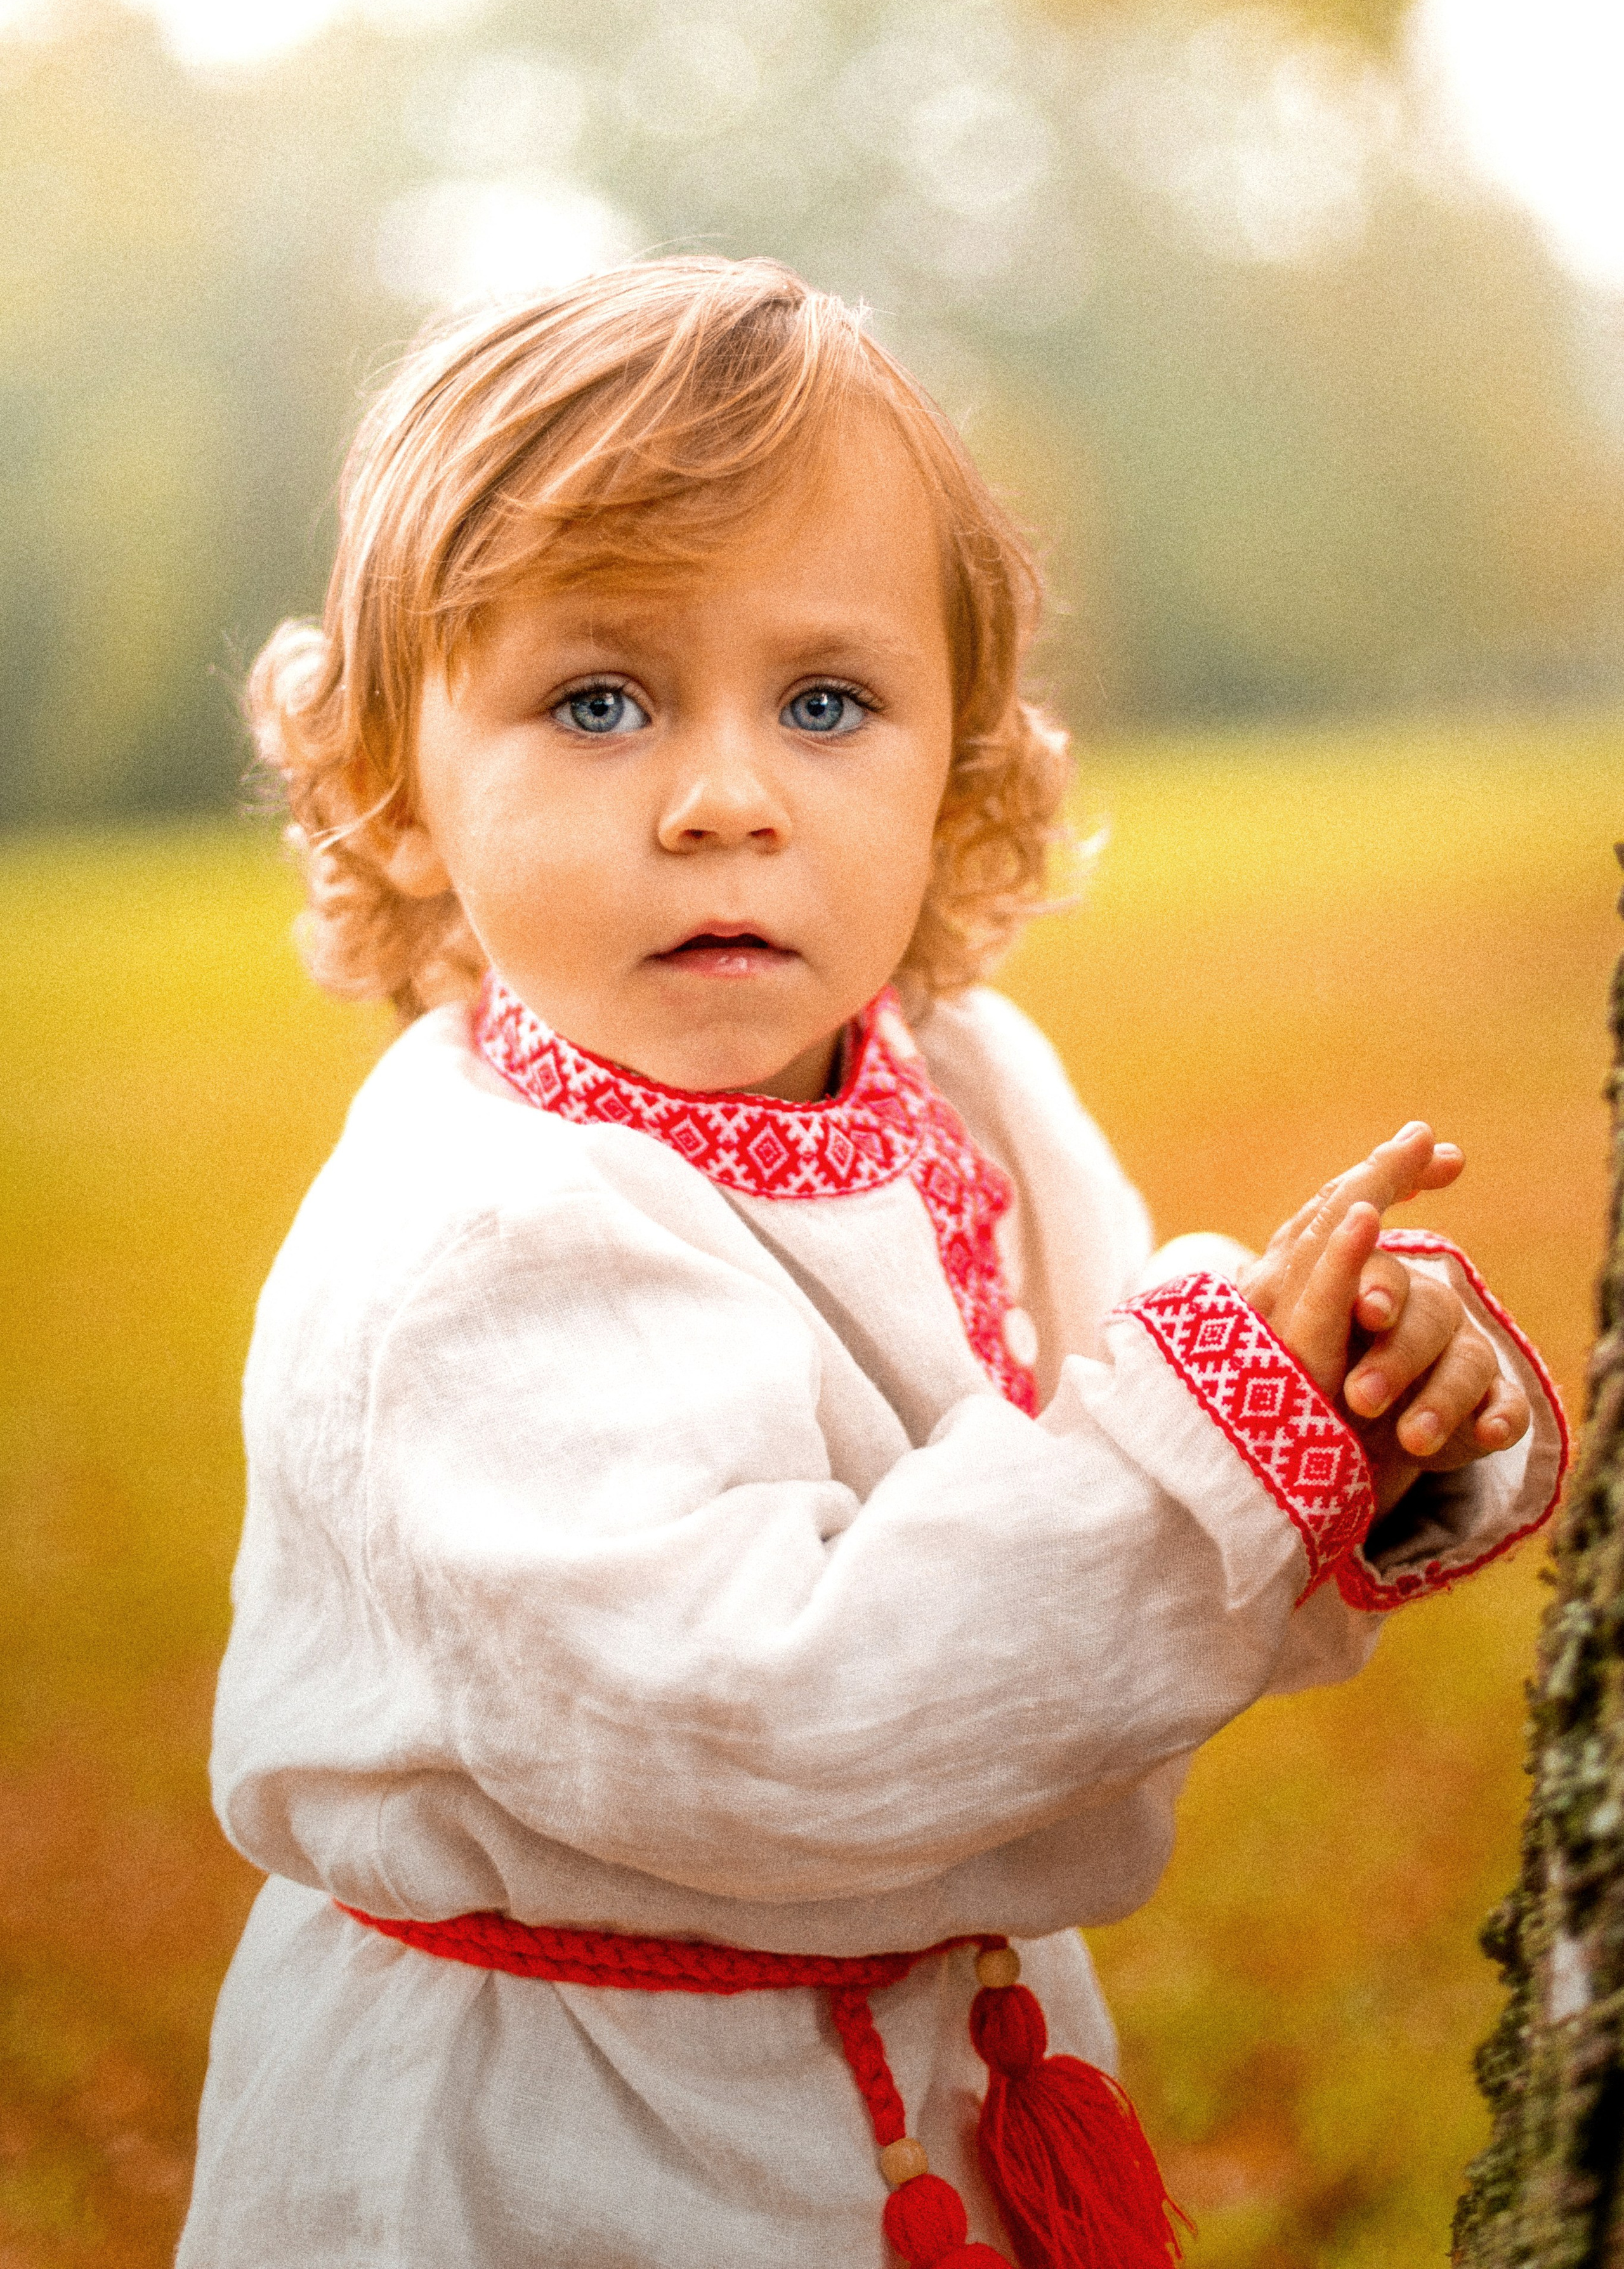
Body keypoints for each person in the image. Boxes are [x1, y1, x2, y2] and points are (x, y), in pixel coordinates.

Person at [177, 256, 1566, 2269]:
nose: (727, 799)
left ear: (957, 766)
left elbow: (1133, 1480)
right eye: (598, 701)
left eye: (826, 703)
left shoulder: (965, 1079)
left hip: (931, 2056)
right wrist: (1217, 1448)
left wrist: (1344, 1402)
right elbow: (772, 1724)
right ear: (400, 792)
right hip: (566, 2134)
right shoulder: (481, 1239)